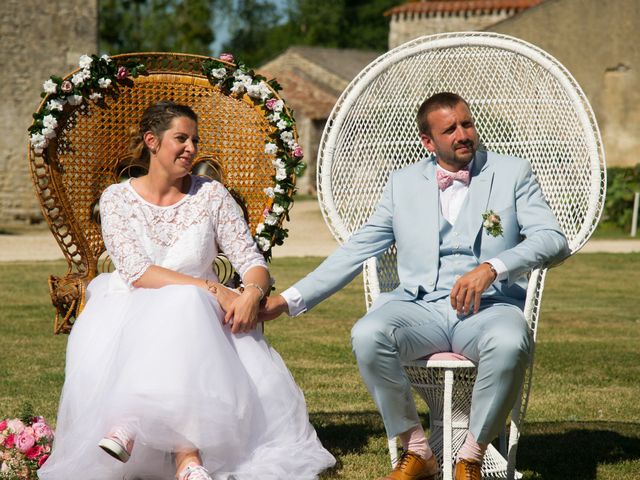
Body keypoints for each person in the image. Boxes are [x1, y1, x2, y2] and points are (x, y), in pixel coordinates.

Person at [258, 92, 570, 480]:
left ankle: (471, 456)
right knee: (368, 333)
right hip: (421, 308)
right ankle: (417, 450)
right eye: (450, 128)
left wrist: (494, 266)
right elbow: (356, 251)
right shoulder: (402, 184)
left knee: (510, 341)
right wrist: (287, 301)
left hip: (490, 309)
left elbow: (553, 240)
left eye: (467, 123)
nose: (463, 134)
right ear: (428, 141)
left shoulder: (512, 173)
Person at [38, 101, 335, 480]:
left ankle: (130, 420)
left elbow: (252, 262)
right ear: (152, 141)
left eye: (195, 140)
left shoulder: (211, 196)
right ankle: (187, 460)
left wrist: (251, 294)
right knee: (184, 300)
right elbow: (137, 272)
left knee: (186, 305)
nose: (191, 148)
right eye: (181, 138)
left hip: (202, 320)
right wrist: (212, 287)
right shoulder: (116, 199)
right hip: (126, 310)